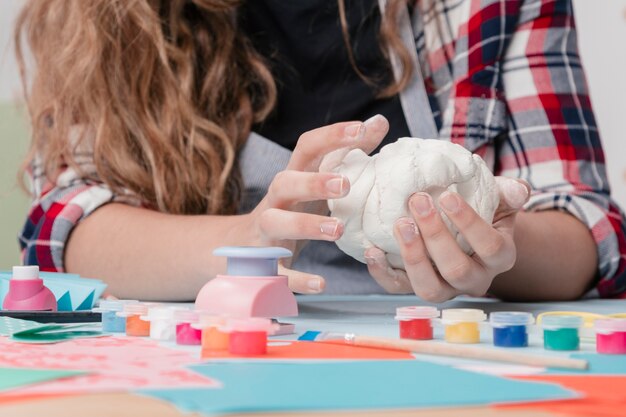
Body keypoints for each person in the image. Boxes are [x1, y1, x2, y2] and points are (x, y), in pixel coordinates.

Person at [15, 0, 626, 302]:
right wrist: (248, 241)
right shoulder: (120, 16)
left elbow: (591, 230)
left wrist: (489, 247)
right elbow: (64, 226)